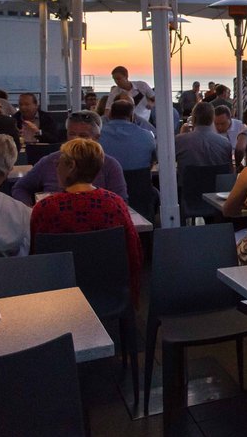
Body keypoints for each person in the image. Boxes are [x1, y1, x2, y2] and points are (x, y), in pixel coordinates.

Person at [30, 138, 143, 306]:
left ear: (71, 166)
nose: (56, 165)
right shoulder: (115, 204)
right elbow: (133, 253)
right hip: (110, 294)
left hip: (60, 298)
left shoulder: (45, 208)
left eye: (59, 161)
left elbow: (36, 258)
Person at [12, 111, 128, 206]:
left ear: (96, 138)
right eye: (72, 134)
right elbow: (20, 188)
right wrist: (29, 209)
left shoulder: (109, 165)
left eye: (83, 135)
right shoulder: (50, 161)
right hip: (53, 219)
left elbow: (121, 201)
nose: (76, 139)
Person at [98, 99, 156, 171]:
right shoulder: (147, 136)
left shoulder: (97, 136)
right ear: (132, 116)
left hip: (107, 177)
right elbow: (152, 161)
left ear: (109, 115)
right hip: (140, 177)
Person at [175, 102, 232, 168]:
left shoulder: (179, 141)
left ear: (193, 119)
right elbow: (229, 168)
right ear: (212, 119)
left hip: (188, 175)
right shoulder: (225, 143)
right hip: (215, 175)